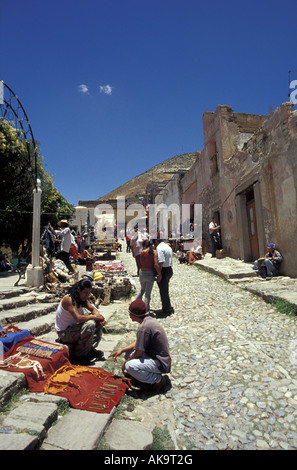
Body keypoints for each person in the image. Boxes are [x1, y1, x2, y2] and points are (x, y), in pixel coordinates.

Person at [109, 299, 171, 394]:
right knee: (128, 353)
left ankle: (157, 379)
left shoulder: (144, 327)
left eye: (130, 313)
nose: (129, 316)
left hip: (161, 363)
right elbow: (138, 342)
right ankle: (144, 376)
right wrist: (122, 350)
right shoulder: (148, 321)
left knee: (130, 366)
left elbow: (138, 353)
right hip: (155, 357)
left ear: (135, 314)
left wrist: (125, 364)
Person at [55, 278, 105, 362]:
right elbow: (78, 318)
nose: (86, 295)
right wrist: (95, 317)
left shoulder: (82, 298)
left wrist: (99, 317)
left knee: (97, 323)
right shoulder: (69, 299)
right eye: (85, 293)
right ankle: (79, 356)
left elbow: (92, 309)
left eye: (88, 293)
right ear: (78, 289)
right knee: (90, 324)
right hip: (64, 333)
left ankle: (88, 350)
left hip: (74, 329)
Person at [135, 240, 161, 312]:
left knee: (142, 290)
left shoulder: (142, 252)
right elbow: (156, 264)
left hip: (142, 272)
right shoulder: (153, 252)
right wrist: (159, 274)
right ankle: (146, 310)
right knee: (147, 293)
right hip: (149, 273)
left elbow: (140, 263)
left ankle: (135, 305)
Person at [154, 238, 174, 316]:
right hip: (169, 269)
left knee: (163, 291)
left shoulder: (159, 248)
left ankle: (166, 309)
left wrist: (159, 274)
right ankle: (167, 307)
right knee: (165, 289)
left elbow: (161, 262)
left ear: (156, 241)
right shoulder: (167, 246)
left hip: (163, 270)